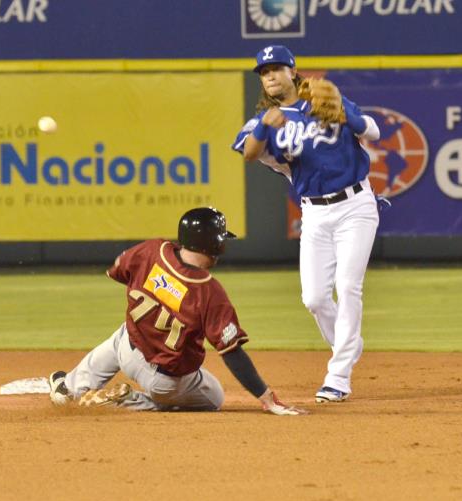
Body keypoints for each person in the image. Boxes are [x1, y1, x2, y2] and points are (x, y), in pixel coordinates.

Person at [231, 45, 384, 403]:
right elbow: (249, 154)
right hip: (314, 212)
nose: (269, 76)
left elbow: (372, 132)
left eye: (275, 69)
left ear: (292, 71)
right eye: (263, 72)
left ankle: (339, 375)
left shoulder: (324, 99)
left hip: (355, 205)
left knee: (348, 287)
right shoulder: (265, 122)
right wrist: (264, 129)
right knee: (314, 298)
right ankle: (348, 344)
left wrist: (343, 111)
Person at [48, 207, 305, 415]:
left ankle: (70, 388)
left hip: (128, 349)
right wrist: (265, 396)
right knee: (214, 396)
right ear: (213, 246)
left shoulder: (152, 251)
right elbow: (231, 352)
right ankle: (129, 401)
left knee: (123, 334)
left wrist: (161, 289)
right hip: (165, 382)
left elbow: (118, 267)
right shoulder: (209, 291)